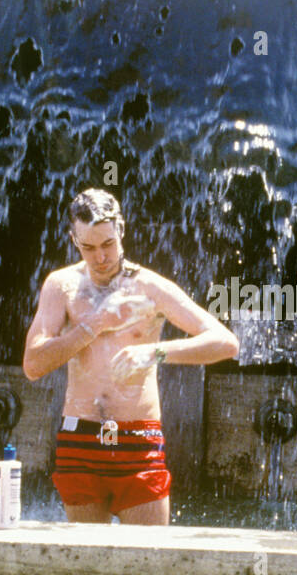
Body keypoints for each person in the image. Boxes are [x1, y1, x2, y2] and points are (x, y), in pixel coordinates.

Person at [22, 189, 239, 525]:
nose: (101, 257)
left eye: (108, 244)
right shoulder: (61, 285)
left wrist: (155, 351)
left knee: (149, 563)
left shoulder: (150, 287)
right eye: (88, 247)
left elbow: (225, 342)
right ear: (73, 239)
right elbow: (33, 365)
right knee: (86, 563)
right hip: (80, 439)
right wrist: (93, 325)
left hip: (138, 441)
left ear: (121, 230)